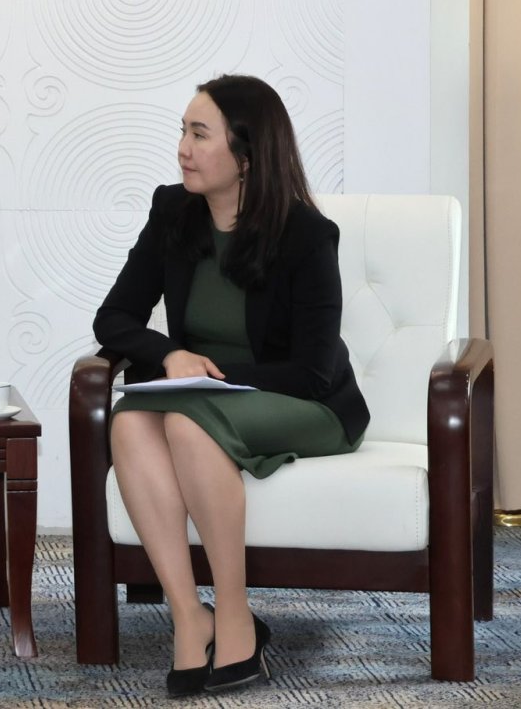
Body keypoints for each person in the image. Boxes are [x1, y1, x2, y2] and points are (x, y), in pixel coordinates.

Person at [92, 74, 368, 696]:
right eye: (182, 132)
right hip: (207, 398)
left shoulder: (305, 235)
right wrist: (171, 355)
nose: (183, 149)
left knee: (189, 424)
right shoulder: (173, 212)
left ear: (245, 156)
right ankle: (190, 616)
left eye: (199, 134)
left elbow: (313, 370)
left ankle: (237, 617)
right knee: (130, 423)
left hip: (307, 403)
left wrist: (210, 377)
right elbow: (114, 318)